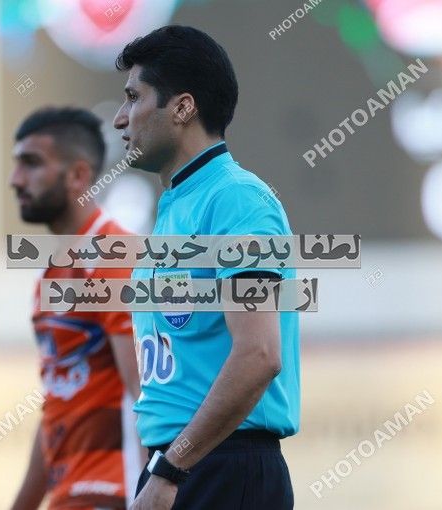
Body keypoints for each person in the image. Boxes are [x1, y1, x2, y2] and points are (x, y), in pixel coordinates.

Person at [112, 26, 300, 510]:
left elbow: (259, 354)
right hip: (182, 464)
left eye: (133, 97)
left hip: (220, 466)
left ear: (182, 108)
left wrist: (171, 469)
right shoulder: (176, 207)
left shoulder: (236, 199)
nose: (119, 118)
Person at [9, 106, 143, 510]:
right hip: (71, 496)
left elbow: (147, 394)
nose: (15, 180)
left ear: (78, 176)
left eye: (31, 163)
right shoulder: (49, 275)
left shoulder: (114, 257)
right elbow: (57, 405)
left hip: (114, 494)